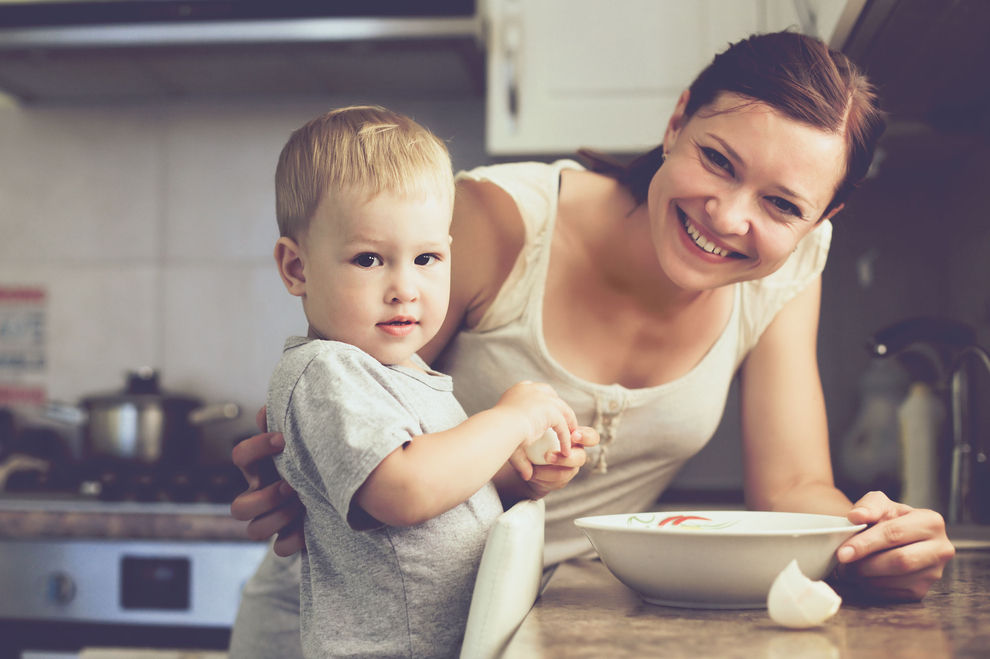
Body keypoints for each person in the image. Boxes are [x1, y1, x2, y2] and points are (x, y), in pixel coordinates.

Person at [230, 30, 955, 657]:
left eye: (783, 204)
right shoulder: (495, 223)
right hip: (350, 627)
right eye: (719, 160)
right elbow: (348, 398)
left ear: (823, 216)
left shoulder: (793, 264)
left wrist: (874, 541)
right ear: (676, 122)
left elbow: (793, 489)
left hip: (516, 627)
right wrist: (298, 478)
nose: (729, 216)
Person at [248, 105, 596, 658]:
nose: (405, 287)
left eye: (427, 257)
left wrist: (518, 480)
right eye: (368, 259)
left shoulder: (410, 374)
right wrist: (509, 420)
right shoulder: (326, 371)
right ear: (296, 269)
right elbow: (404, 492)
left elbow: (441, 507)